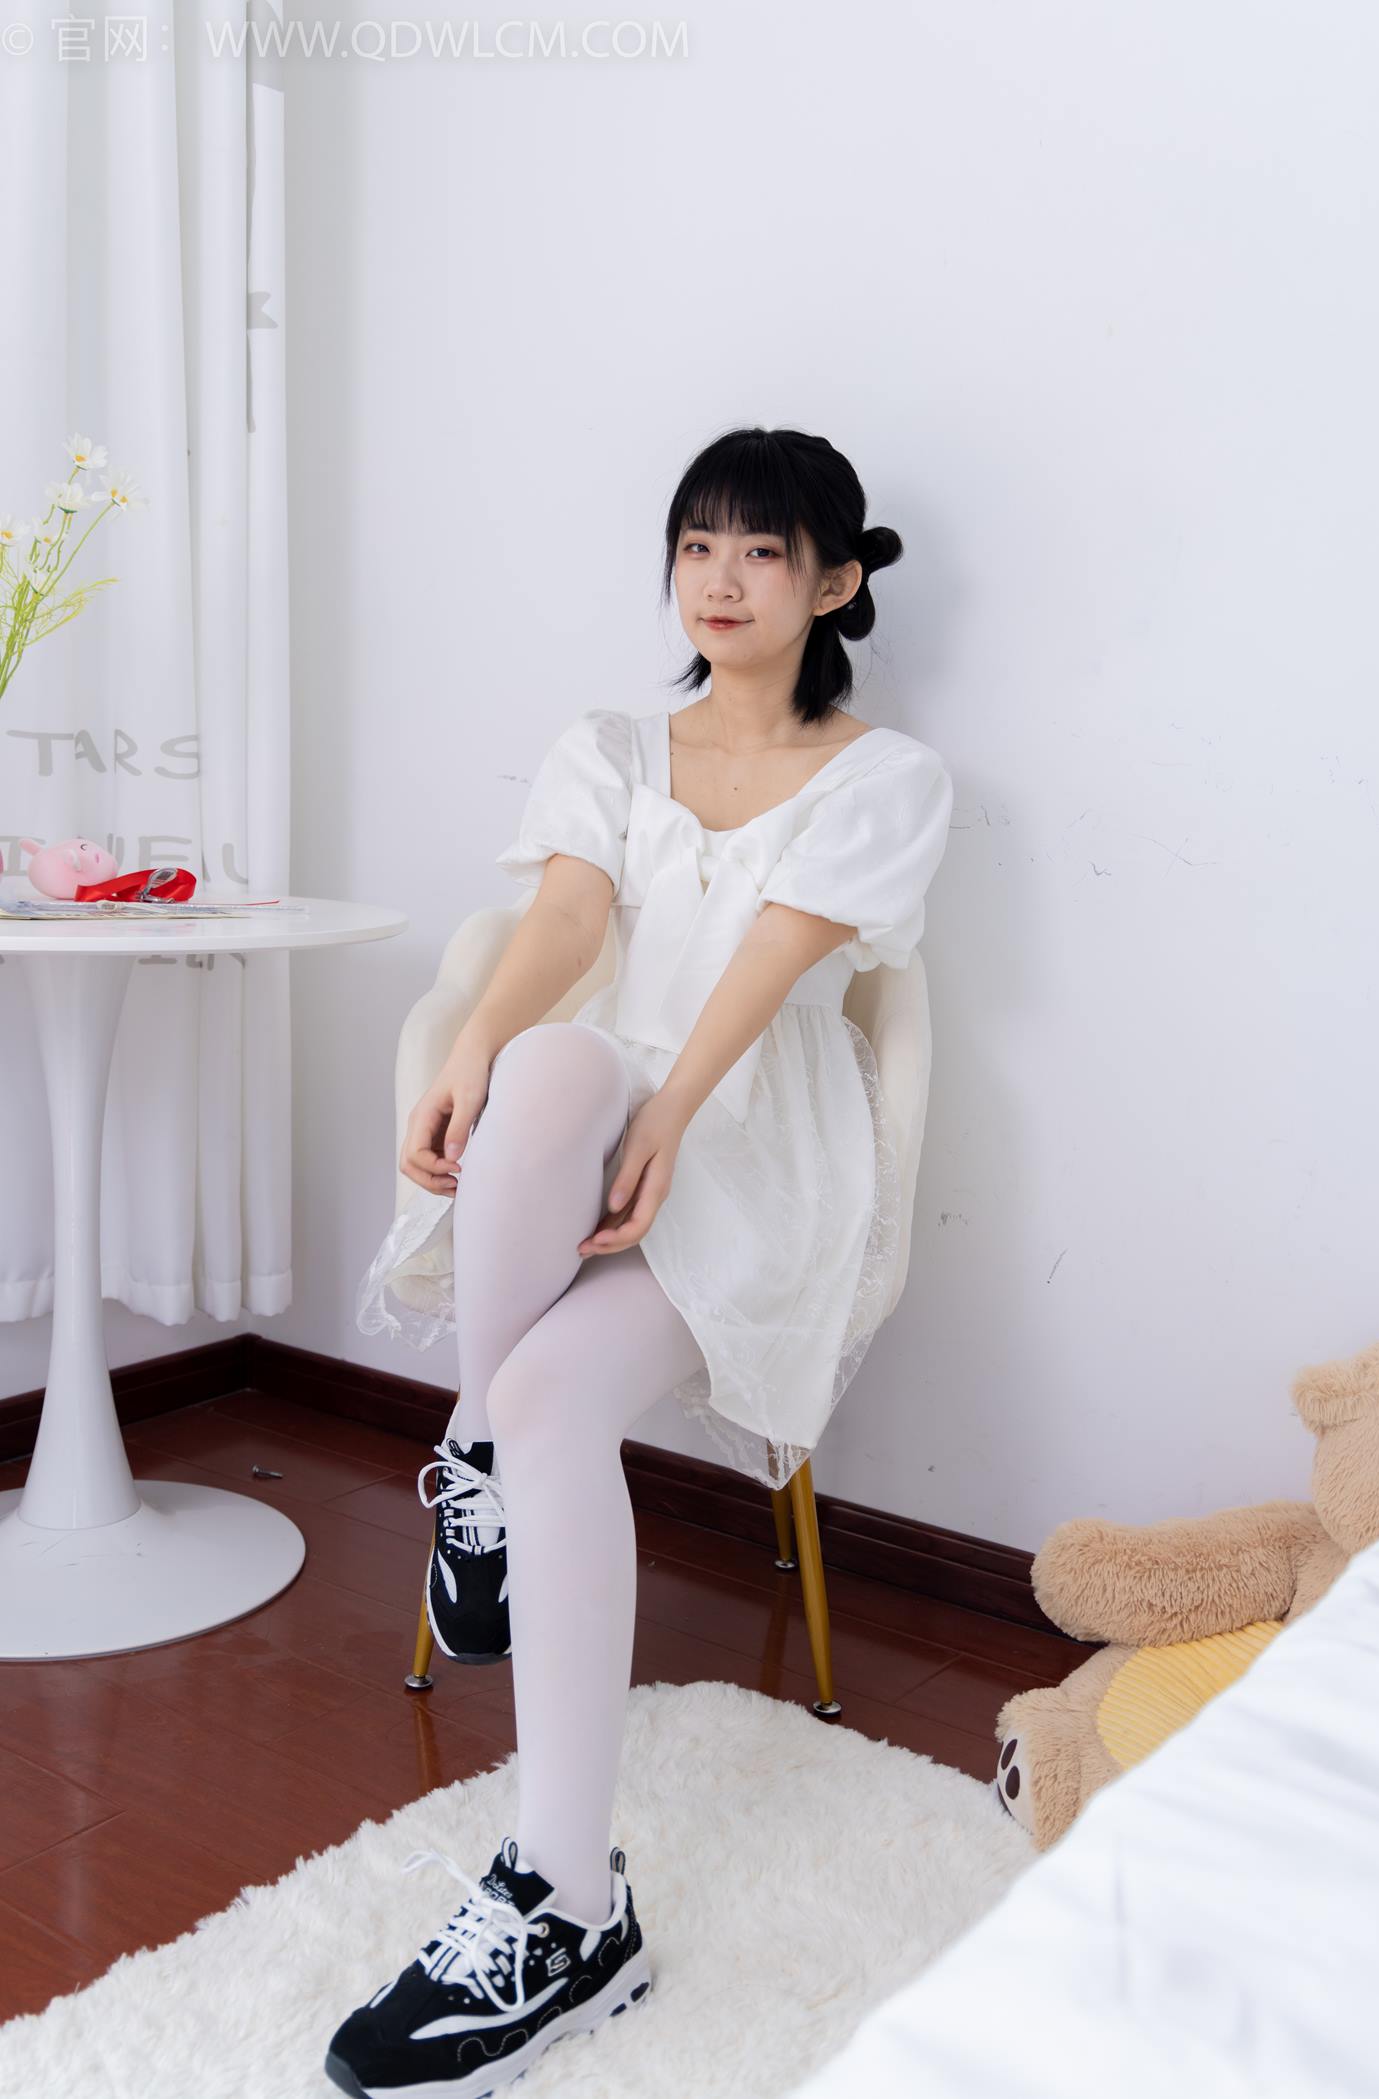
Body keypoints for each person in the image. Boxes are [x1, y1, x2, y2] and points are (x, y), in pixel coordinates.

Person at [327, 425, 955, 2098]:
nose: (721, 580)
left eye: (762, 551)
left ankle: (559, 1892)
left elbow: (768, 967)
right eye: (696, 546)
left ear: (836, 582)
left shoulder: (887, 777)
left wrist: (674, 1112)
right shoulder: (610, 745)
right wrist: (473, 1044)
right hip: (580, 1123)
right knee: (543, 1067)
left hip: (756, 1148)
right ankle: (483, 1475)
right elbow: (567, 923)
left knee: (554, 1364)